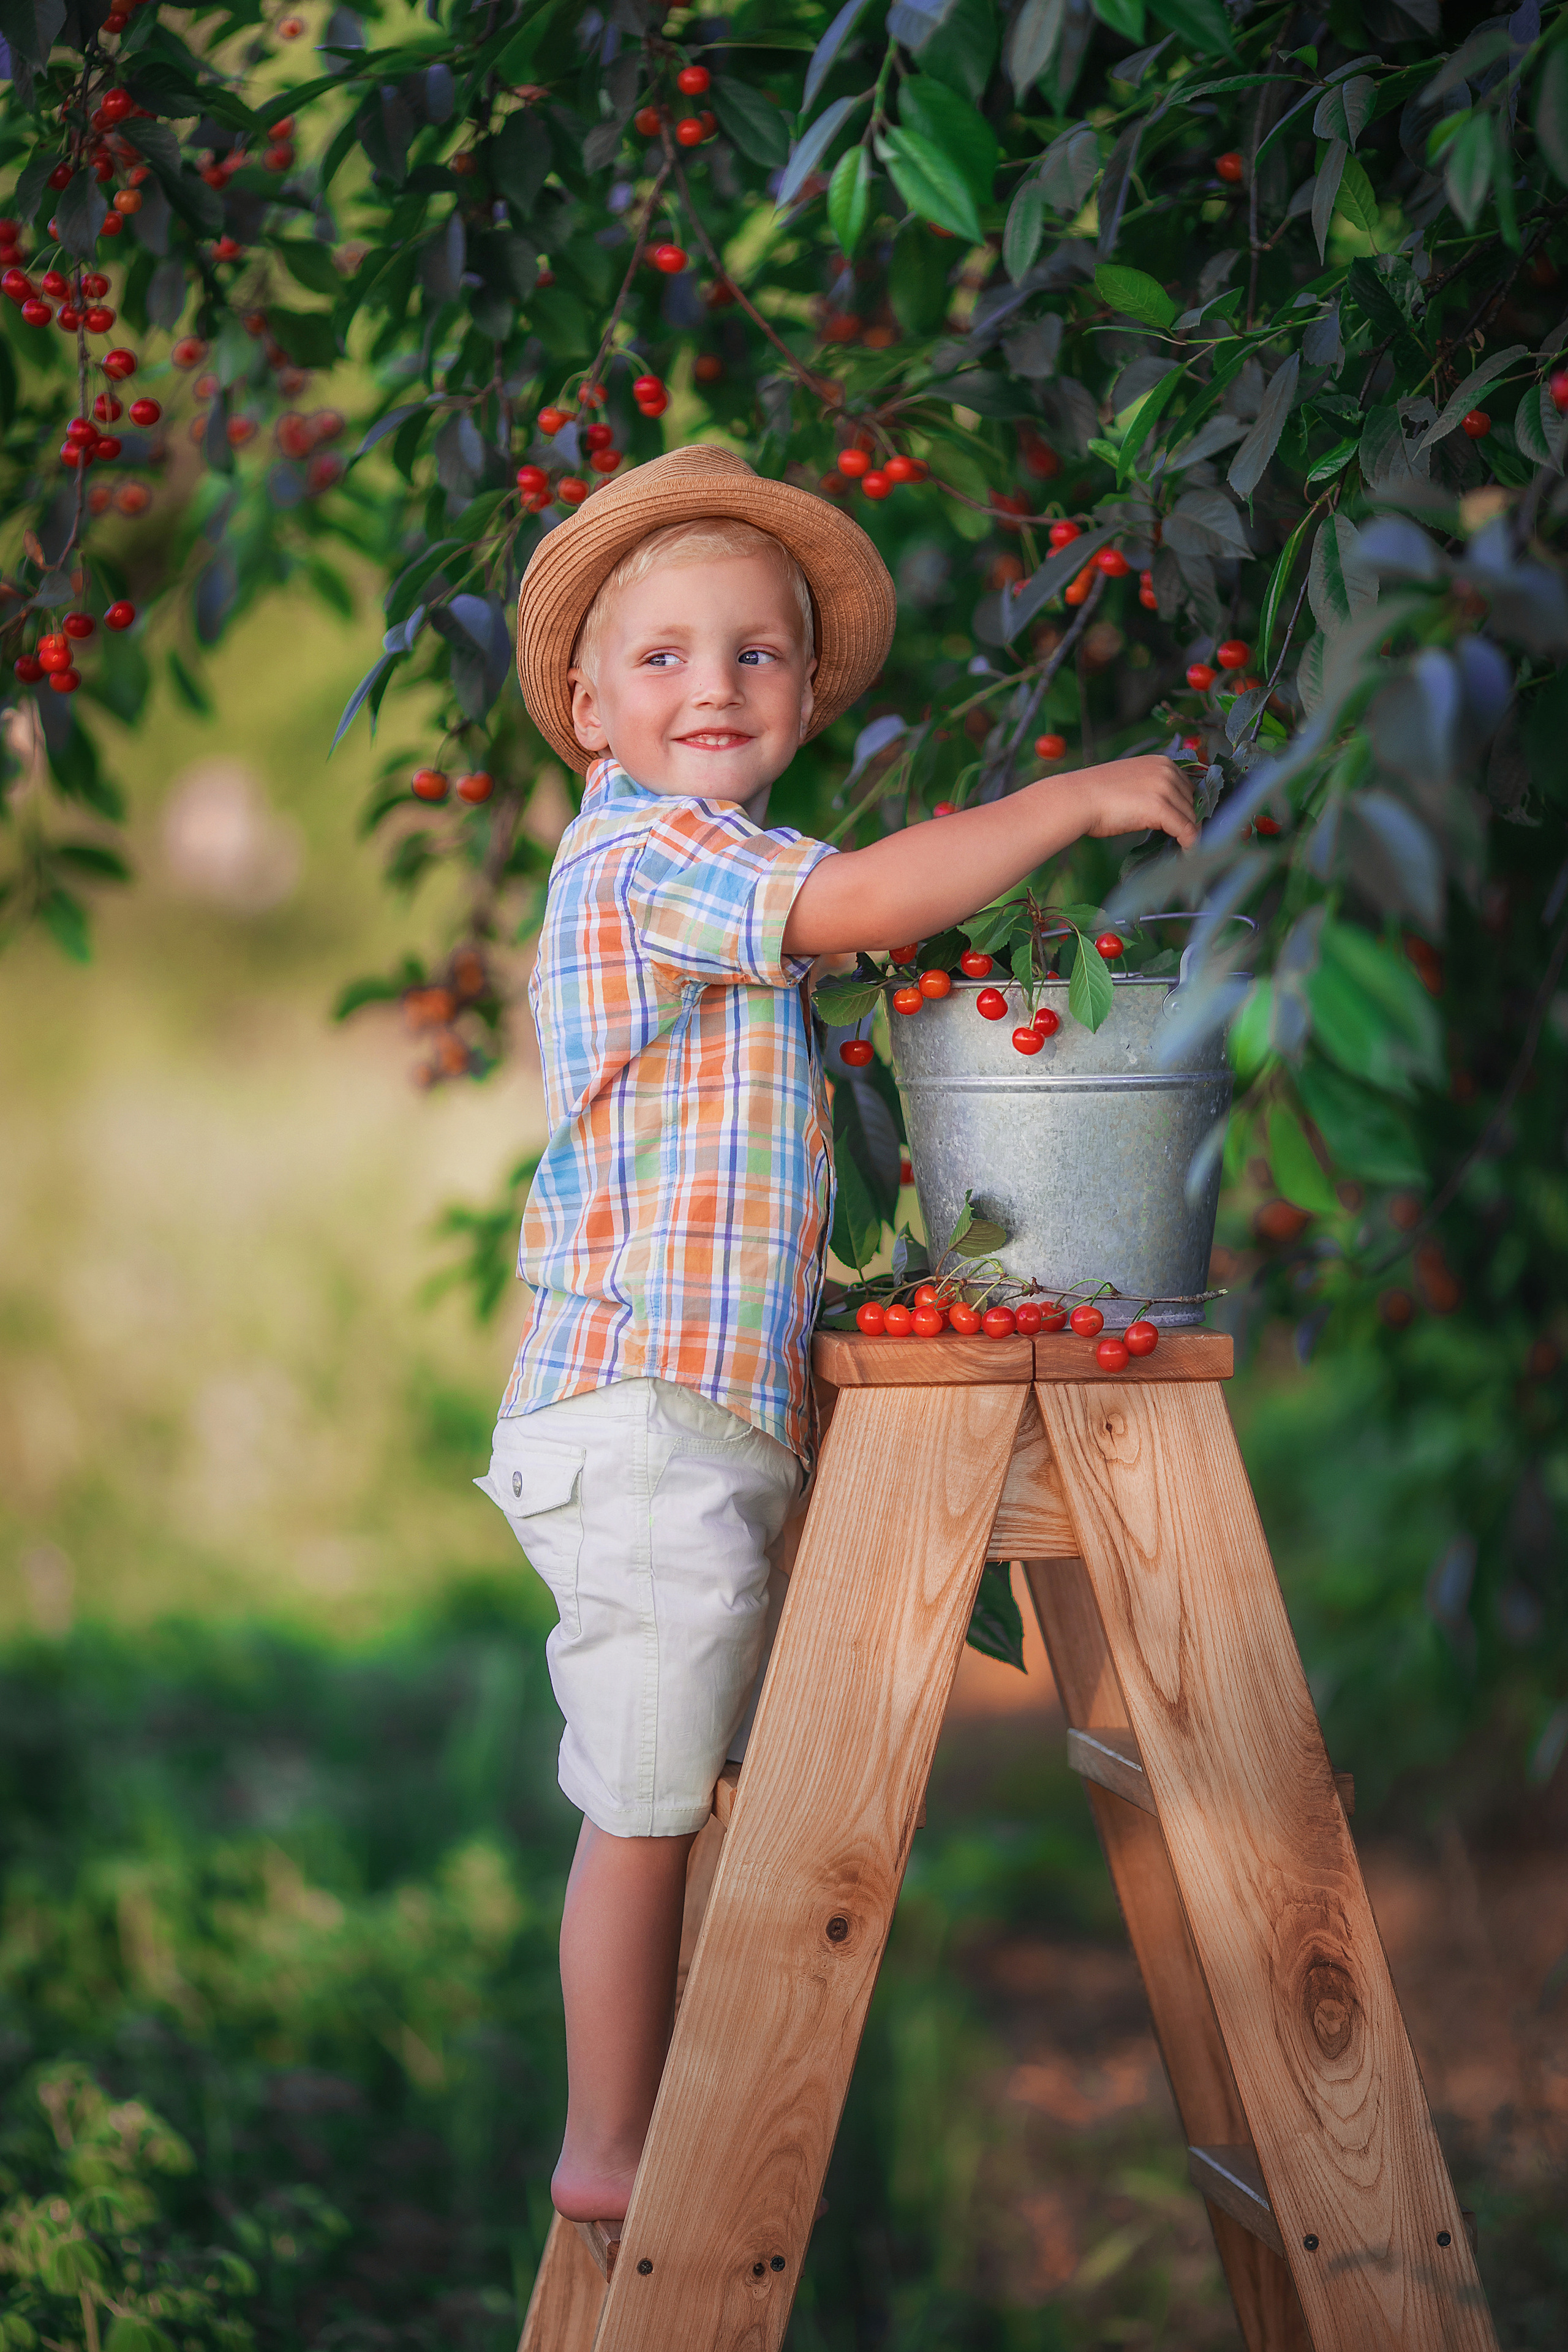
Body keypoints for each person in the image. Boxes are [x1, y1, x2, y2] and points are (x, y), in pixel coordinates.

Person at [478, 443, 1197, 2229]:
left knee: (689, 1777)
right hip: (639, 1408)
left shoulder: (726, 855)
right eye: (663, 658)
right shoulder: (649, 862)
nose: (712, 686)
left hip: (688, 1401)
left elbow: (858, 898)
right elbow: (875, 903)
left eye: (756, 654)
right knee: (642, 1793)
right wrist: (1081, 799)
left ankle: (651, 2101)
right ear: (587, 709)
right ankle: (606, 2148)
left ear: (805, 688)